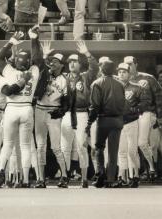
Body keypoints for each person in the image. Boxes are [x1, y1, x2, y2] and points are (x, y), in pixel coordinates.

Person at [0, 28, 42, 188]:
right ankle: (26, 179)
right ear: (27, 63)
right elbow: (37, 58)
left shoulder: (10, 71)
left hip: (11, 108)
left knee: (7, 143)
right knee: (26, 146)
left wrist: (12, 41)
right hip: (27, 108)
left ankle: (1, 170)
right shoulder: (33, 72)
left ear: (16, 62)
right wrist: (34, 38)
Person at [61, 40, 99, 188]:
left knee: (81, 146)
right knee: (65, 147)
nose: (72, 64)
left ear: (80, 64)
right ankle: (65, 177)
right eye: (70, 62)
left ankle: (84, 178)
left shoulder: (86, 76)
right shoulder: (64, 77)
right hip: (67, 114)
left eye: (75, 61)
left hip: (82, 113)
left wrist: (87, 53)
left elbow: (95, 67)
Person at [32, 39, 70, 189]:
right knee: (40, 146)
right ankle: (40, 179)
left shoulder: (64, 79)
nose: (52, 63)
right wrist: (44, 55)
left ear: (61, 65)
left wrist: (62, 111)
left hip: (53, 112)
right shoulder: (44, 73)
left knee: (56, 147)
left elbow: (67, 100)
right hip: (40, 110)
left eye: (56, 61)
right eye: (51, 61)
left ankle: (64, 176)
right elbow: (38, 65)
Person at [87, 60, 125, 188]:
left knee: (99, 147)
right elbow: (123, 104)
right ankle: (110, 179)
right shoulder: (120, 84)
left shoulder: (96, 83)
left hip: (103, 119)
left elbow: (95, 105)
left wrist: (89, 122)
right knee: (113, 152)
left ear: (101, 70)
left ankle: (100, 176)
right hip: (118, 120)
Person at [125, 56, 162, 181]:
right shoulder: (123, 78)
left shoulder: (148, 77)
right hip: (132, 116)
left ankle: (152, 168)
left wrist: (159, 117)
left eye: (130, 64)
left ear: (136, 64)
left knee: (144, 143)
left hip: (147, 113)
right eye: (126, 64)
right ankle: (143, 171)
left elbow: (159, 97)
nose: (128, 67)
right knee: (136, 146)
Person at [117, 62, 149, 188]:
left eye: (124, 71)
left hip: (132, 121)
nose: (121, 74)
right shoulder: (115, 87)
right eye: (119, 71)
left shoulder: (137, 87)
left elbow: (145, 103)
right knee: (122, 151)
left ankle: (135, 176)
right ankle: (121, 177)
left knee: (132, 151)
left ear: (129, 74)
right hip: (119, 122)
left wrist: (136, 109)